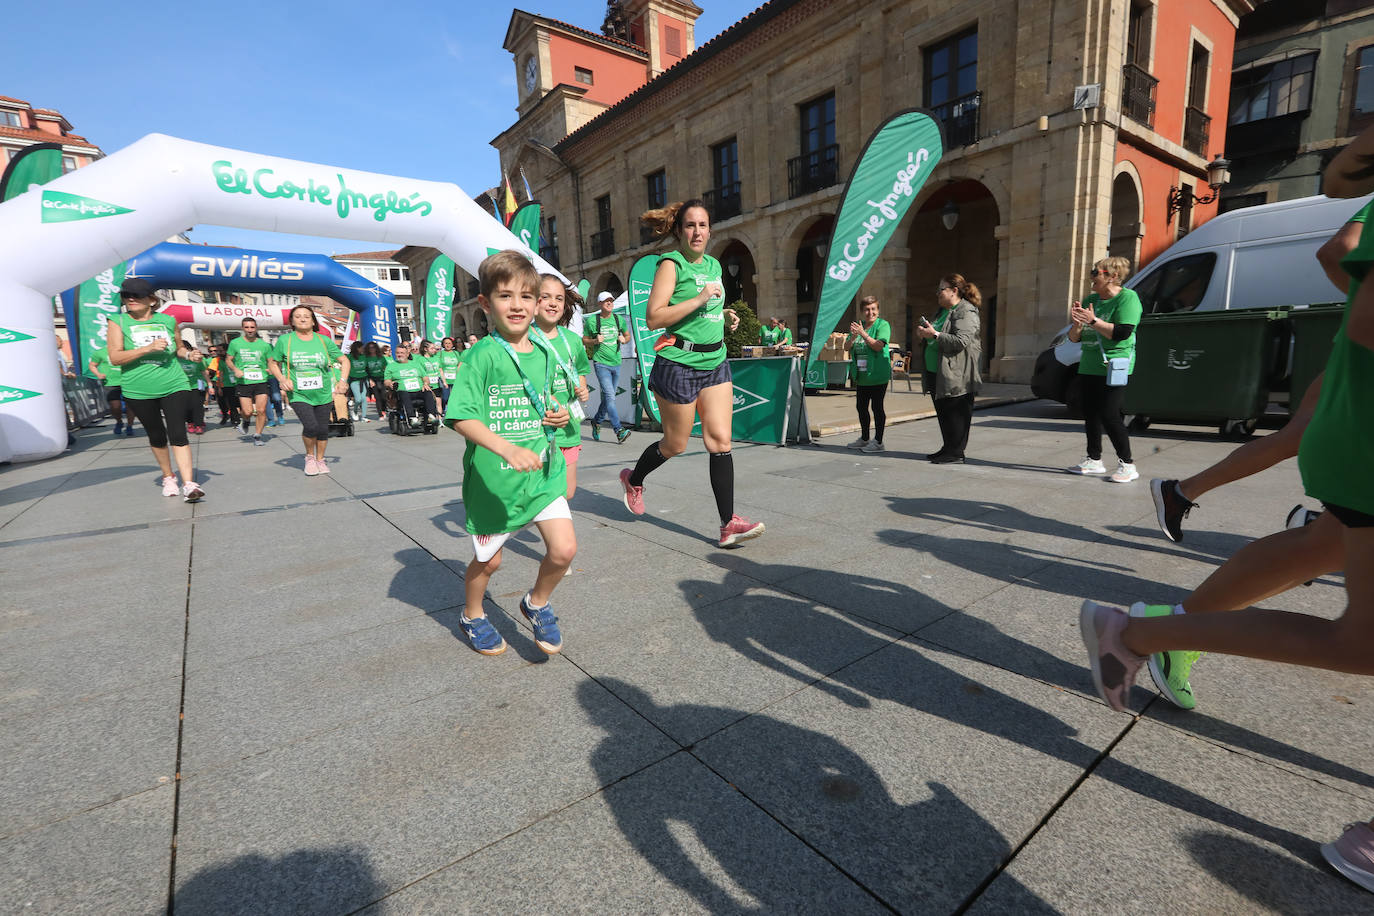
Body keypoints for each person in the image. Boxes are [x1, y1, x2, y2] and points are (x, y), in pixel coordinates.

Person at [1079, 161, 1374, 892]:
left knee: (1321, 543)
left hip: (1357, 419)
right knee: (1362, 637)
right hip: (1364, 426)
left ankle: (1163, 608)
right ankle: (1143, 631)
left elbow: (1342, 250)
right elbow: (1347, 260)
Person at [1150, 200, 1369, 542]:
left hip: (1357, 347)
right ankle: (1323, 527)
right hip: (1365, 348)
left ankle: (1181, 493)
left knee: (1298, 434)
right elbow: (1337, 250)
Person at [444, 249, 575, 657]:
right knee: (489, 563)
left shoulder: (546, 351)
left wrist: (556, 415)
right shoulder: (480, 356)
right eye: (504, 296)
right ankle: (472, 614)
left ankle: (536, 602)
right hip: (494, 481)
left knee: (564, 549)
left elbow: (551, 400)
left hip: (541, 472)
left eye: (525, 296)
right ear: (485, 303)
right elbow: (461, 417)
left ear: (537, 303)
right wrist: (505, 447)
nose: (516, 305)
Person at [620, 198, 764, 548]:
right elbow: (655, 316)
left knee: (720, 442)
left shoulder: (714, 265)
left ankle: (728, 524)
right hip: (679, 364)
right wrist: (701, 299)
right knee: (676, 444)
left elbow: (707, 307)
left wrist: (723, 314)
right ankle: (634, 479)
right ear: (680, 230)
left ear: (710, 230)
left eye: (702, 225)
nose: (697, 231)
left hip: (715, 362)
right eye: (690, 225)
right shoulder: (672, 264)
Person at [105, 278, 205, 502]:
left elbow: (178, 348)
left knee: (177, 432)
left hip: (173, 383)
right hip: (138, 388)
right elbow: (115, 357)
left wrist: (189, 355)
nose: (130, 299)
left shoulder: (168, 321)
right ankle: (168, 477)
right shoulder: (117, 321)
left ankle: (189, 483)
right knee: (157, 434)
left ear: (151, 300)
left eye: (137, 295)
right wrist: (146, 349)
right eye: (126, 295)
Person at [1066, 256, 1141, 483]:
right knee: (1090, 413)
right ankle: (1094, 459)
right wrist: (1078, 325)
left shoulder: (1128, 299)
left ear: (1113, 276)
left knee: (1110, 414)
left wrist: (1093, 321)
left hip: (1114, 364)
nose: (1091, 277)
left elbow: (1121, 333)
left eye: (1095, 272)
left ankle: (1127, 464)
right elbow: (1074, 339)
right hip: (1089, 364)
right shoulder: (1091, 299)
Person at [269, 305, 349, 476]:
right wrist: (282, 379)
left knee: (322, 428)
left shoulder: (323, 340)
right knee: (311, 426)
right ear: (292, 321)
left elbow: (345, 361)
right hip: (298, 392)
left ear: (313, 321)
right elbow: (273, 363)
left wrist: (342, 381)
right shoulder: (286, 341)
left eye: (306, 316)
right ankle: (310, 457)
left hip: (323, 392)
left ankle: (321, 459)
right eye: (298, 316)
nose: (303, 319)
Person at [535, 273, 592, 499]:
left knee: (567, 493)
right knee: (543, 493)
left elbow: (580, 371)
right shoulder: (523, 338)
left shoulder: (573, 339)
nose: (553, 303)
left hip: (569, 428)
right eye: (545, 297)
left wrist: (582, 388)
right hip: (538, 430)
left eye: (559, 298)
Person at [916, 275, 983, 463]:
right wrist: (925, 334)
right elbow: (936, 336)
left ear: (954, 290)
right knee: (944, 412)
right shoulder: (942, 311)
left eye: (941, 289)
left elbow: (960, 341)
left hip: (957, 374)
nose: (938, 293)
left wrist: (935, 334)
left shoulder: (966, 311)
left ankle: (956, 452)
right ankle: (948, 447)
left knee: (956, 414)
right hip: (937, 371)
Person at [845, 295, 893, 453]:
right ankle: (865, 439)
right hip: (862, 376)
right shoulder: (860, 326)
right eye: (866, 309)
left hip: (878, 374)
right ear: (861, 312)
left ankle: (878, 441)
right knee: (861, 407)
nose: (870, 312)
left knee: (877, 407)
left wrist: (863, 335)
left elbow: (879, 346)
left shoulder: (882, 325)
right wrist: (853, 336)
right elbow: (846, 347)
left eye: (873, 309)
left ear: (878, 311)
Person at [584, 290, 632, 443]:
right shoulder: (593, 321)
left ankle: (597, 421)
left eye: (611, 300)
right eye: (606, 301)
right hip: (601, 364)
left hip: (616, 363)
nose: (609, 303)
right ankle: (619, 430)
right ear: (600, 304)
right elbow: (584, 340)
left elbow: (627, 336)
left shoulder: (619, 319)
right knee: (611, 397)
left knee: (608, 398)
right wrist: (595, 341)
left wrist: (624, 340)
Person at [226, 317, 273, 445]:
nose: (250, 330)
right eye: (247, 327)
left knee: (261, 410)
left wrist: (271, 369)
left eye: (252, 327)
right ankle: (246, 421)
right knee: (247, 412)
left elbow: (271, 361)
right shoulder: (235, 343)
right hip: (244, 381)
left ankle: (258, 436)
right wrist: (235, 369)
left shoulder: (264, 345)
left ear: (256, 328)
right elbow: (228, 360)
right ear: (243, 328)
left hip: (261, 380)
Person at [383, 343, 438, 435]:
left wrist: (425, 383)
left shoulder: (416, 364)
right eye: (397, 353)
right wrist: (390, 384)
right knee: (404, 395)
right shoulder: (391, 366)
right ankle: (412, 418)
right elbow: (386, 381)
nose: (399, 355)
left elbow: (425, 377)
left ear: (407, 354)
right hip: (403, 391)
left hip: (419, 389)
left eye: (402, 353)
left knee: (428, 392)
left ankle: (431, 416)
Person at [88, 344, 137, 437]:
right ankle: (119, 422)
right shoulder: (100, 352)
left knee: (130, 405)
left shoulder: (129, 350)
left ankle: (130, 426)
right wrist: (98, 374)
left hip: (129, 381)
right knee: (115, 406)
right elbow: (92, 365)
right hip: (110, 383)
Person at [177, 348, 211, 434]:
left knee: (197, 406)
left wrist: (210, 385)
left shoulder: (197, 359)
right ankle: (190, 423)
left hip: (198, 385)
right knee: (187, 407)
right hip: (183, 386)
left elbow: (204, 372)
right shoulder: (176, 360)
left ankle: (198, 425)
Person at [361, 341, 388, 421]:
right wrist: (369, 380)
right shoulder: (366, 358)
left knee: (384, 396)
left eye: (373, 347)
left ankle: (384, 409)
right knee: (377, 397)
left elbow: (386, 368)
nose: (372, 349)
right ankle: (380, 414)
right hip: (373, 379)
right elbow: (364, 370)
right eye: (370, 348)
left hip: (382, 378)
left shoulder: (381, 357)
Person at [346, 341, 370, 422]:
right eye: (361, 347)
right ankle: (355, 412)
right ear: (357, 348)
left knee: (364, 398)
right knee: (358, 399)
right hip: (354, 380)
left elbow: (369, 368)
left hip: (364, 380)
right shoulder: (349, 357)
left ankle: (363, 416)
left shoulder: (365, 356)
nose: (363, 349)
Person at [437, 336, 461, 408]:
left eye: (449, 343)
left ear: (452, 344)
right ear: (443, 344)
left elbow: (459, 364)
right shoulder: (440, 353)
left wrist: (458, 376)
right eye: (446, 343)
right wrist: (444, 381)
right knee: (445, 398)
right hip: (445, 379)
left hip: (455, 379)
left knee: (455, 398)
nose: (448, 345)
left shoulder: (456, 353)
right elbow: (439, 367)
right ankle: (443, 411)